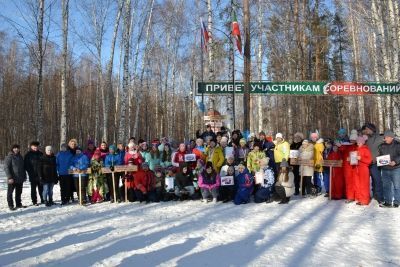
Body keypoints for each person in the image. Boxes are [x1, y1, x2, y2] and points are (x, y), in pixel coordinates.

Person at [362, 123, 383, 203]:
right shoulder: (365, 139)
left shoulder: (379, 137)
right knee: (367, 181)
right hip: (365, 164)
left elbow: (391, 139)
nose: (366, 131)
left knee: (377, 180)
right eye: (365, 129)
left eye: (368, 129)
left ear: (372, 129)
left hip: (374, 163)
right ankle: (373, 194)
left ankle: (380, 197)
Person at [378, 130, 400, 208]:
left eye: (387, 137)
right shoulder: (381, 146)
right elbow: (380, 156)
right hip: (385, 169)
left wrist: (395, 161)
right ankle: (388, 202)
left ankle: (397, 201)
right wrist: (380, 161)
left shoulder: (398, 145)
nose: (385, 138)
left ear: (391, 137)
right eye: (385, 137)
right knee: (386, 186)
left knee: (397, 186)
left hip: (396, 169)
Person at [4, 144, 27, 210]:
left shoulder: (20, 157)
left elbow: (23, 168)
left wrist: (24, 176)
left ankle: (18, 204)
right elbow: (6, 168)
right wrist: (10, 177)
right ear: (12, 149)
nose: (16, 149)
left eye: (17, 148)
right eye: (15, 148)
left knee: (19, 192)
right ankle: (11, 205)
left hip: (20, 178)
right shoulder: (9, 157)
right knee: (10, 193)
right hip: (12, 179)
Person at [338, 129, 358, 203]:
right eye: (351, 139)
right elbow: (341, 150)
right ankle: (350, 196)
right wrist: (339, 146)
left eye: (354, 139)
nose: (353, 141)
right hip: (348, 167)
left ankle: (356, 195)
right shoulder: (347, 146)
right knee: (349, 182)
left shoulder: (358, 146)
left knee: (356, 182)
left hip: (356, 167)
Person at [354, 136, 372, 205]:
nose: (358, 143)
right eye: (357, 142)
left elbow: (369, 160)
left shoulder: (365, 149)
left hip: (364, 169)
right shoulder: (356, 149)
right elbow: (354, 159)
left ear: (362, 142)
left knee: (364, 185)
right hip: (357, 168)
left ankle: (365, 200)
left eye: (359, 142)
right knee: (358, 184)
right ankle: (360, 199)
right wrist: (351, 159)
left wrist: (361, 158)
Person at [24, 141, 44, 206]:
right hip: (32, 175)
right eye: (34, 146)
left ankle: (43, 199)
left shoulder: (41, 154)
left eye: (36, 146)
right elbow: (26, 165)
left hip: (40, 174)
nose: (35, 147)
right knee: (33, 189)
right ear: (31, 147)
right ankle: (34, 201)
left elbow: (43, 164)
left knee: (41, 188)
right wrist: (30, 172)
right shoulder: (28, 155)